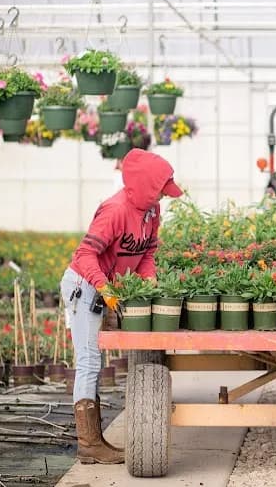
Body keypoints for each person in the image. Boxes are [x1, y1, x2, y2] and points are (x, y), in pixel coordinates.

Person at [59, 149, 183, 465]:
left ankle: (95, 441)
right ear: (145, 186)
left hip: (105, 289)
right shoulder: (114, 210)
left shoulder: (152, 211)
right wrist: (104, 287)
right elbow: (85, 255)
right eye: (160, 190)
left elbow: (148, 253)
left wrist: (149, 282)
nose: (163, 196)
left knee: (95, 360)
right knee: (89, 360)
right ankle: (89, 444)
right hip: (84, 287)